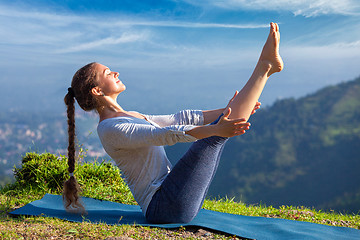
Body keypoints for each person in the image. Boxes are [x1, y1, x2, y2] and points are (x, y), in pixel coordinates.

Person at [63, 22, 283, 223]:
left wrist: (223, 112)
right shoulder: (110, 129)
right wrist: (215, 128)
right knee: (212, 138)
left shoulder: (131, 116)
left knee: (217, 130)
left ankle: (265, 68)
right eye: (108, 73)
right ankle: (264, 68)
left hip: (172, 196)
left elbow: (179, 119)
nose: (116, 72)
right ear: (97, 91)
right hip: (164, 207)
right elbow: (165, 134)